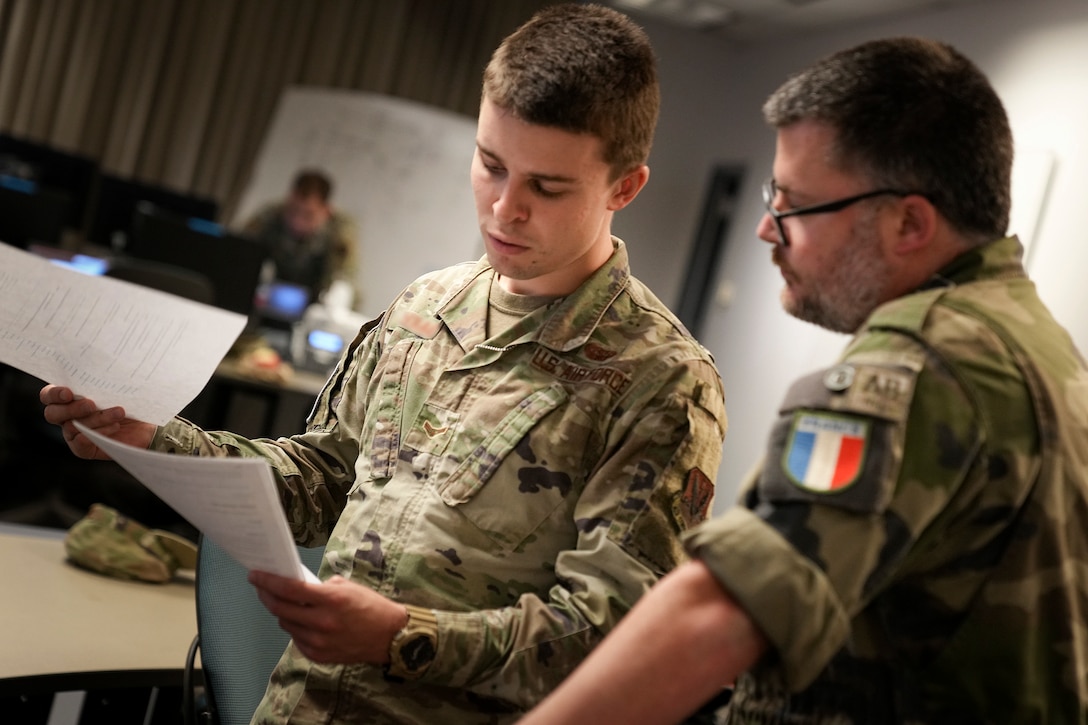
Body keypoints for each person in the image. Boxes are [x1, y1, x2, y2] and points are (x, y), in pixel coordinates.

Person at [40, 4, 728, 723]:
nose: (503, 208)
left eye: (546, 187)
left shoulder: (662, 381)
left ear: (624, 187)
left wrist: (404, 638)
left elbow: (611, 640)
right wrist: (156, 439)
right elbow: (323, 479)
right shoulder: (423, 308)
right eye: (490, 164)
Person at [521, 37, 1088, 724]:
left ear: (909, 221)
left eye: (794, 203)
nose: (766, 228)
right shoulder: (1032, 343)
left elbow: (725, 607)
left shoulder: (921, 364)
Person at [242, 168, 360, 306]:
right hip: (263, 296)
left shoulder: (340, 233)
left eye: (309, 216)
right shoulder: (268, 217)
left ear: (326, 212)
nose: (297, 223)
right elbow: (240, 255)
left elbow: (347, 281)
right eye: (293, 211)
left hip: (314, 301)